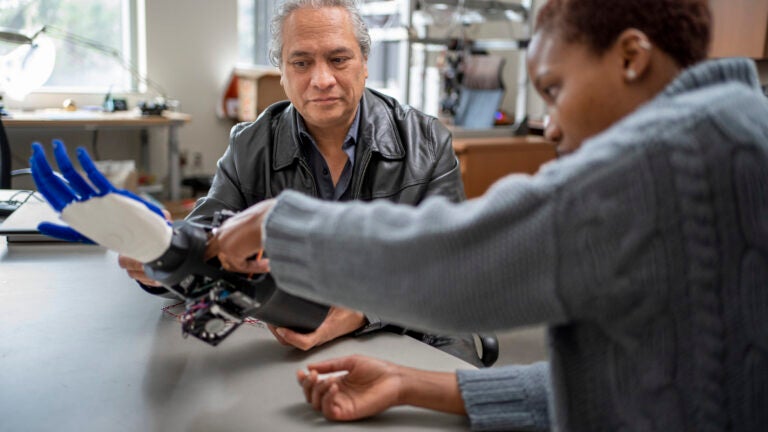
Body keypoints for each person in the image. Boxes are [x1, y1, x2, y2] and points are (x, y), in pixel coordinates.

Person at [207, 0, 768, 430]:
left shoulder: (673, 153)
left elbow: (458, 267)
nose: (548, 125)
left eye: (554, 88)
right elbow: (647, 382)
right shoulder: (739, 127)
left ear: (630, 58)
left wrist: (281, 221)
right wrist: (410, 383)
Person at [117, 0, 486, 365]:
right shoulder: (250, 145)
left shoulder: (426, 141)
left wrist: (361, 311)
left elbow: (450, 268)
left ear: (364, 65)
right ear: (281, 72)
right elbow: (205, 244)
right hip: (291, 334)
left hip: (414, 330)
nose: (322, 80)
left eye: (339, 60)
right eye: (301, 62)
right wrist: (160, 258)